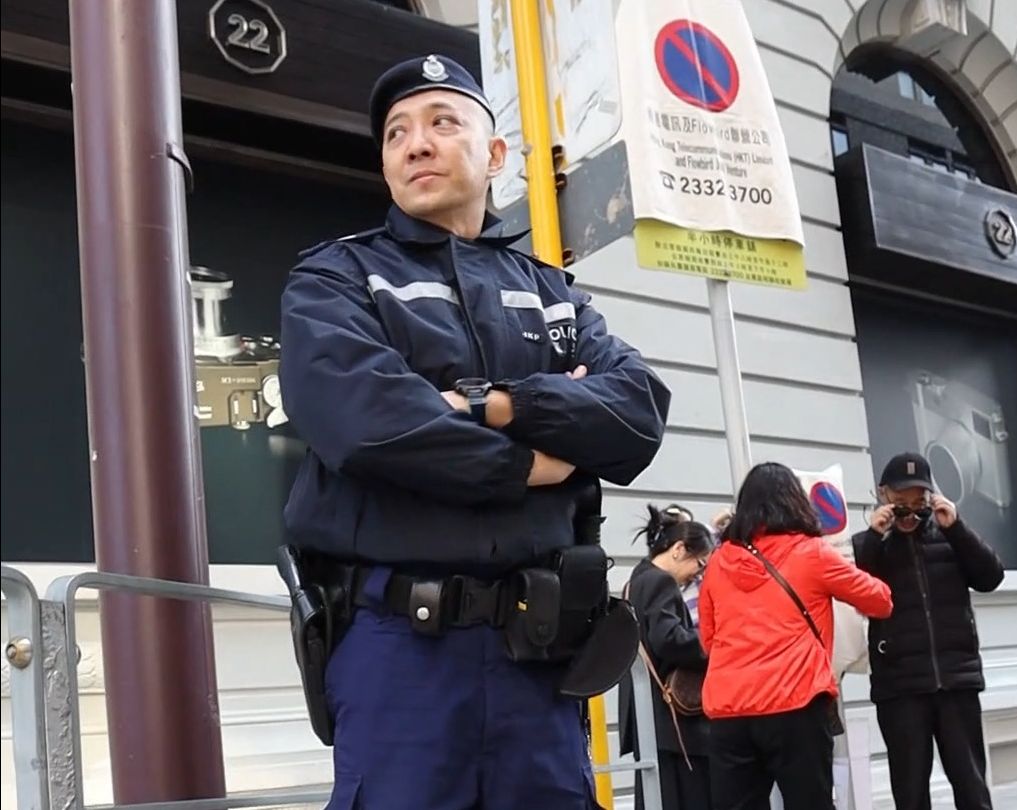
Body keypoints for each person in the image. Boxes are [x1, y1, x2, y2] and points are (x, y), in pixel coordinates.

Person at [279, 54, 670, 810]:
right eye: (396, 134)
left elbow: (636, 412)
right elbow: (369, 425)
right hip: (399, 656)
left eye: (441, 122)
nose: (416, 144)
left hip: (540, 658)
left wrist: (490, 405)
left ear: (494, 155)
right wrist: (533, 464)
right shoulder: (337, 280)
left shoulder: (555, 295)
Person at [698, 462, 893, 810]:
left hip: (730, 711)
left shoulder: (718, 561)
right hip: (796, 703)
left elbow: (708, 639)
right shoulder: (812, 554)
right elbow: (880, 601)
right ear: (795, 503)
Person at [853, 452, 1004, 810]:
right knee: (910, 792)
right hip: (900, 687)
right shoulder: (868, 544)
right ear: (884, 495)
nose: (909, 513)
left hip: (956, 680)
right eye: (900, 504)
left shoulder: (951, 535)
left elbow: (991, 577)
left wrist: (956, 527)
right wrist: (876, 535)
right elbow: (855, 589)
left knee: (971, 786)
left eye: (918, 503)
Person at [618, 506, 715, 810]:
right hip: (672, 718)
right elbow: (668, 639)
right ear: (678, 549)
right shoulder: (662, 582)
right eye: (699, 562)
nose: (699, 572)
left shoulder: (636, 580)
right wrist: (714, 646)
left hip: (647, 713)